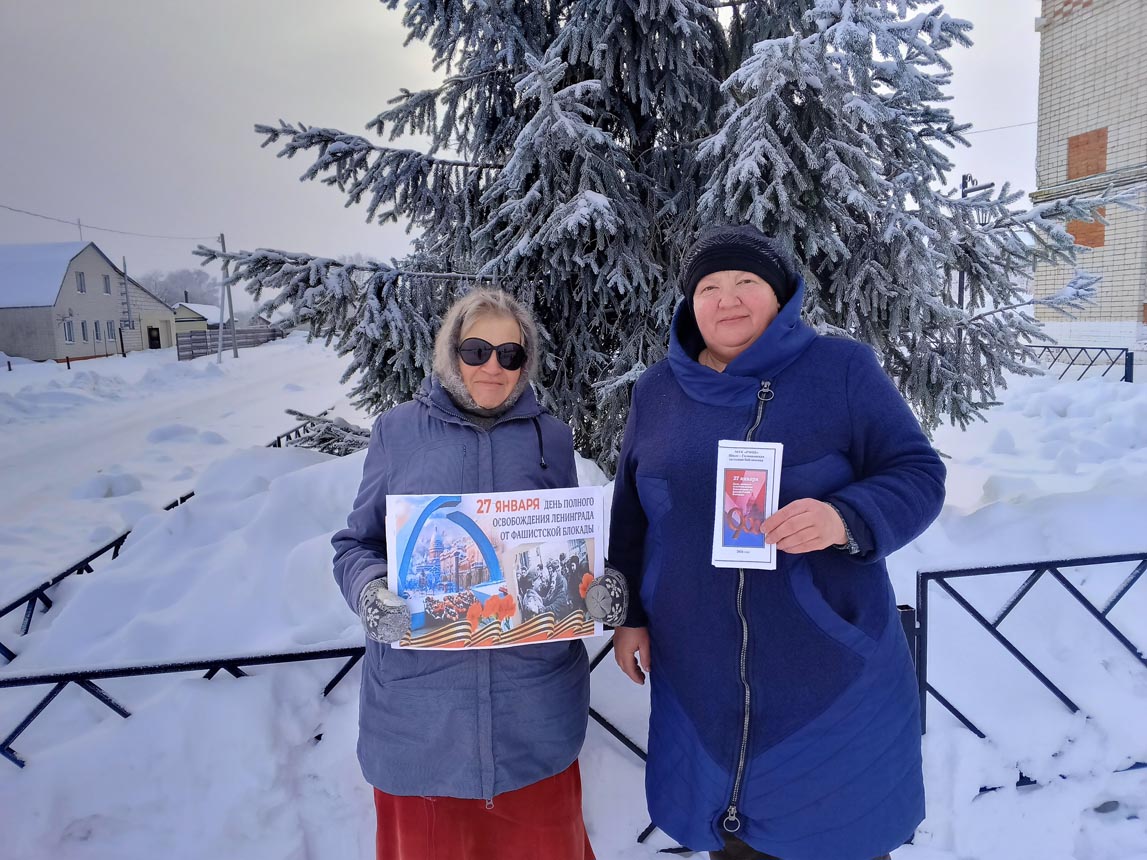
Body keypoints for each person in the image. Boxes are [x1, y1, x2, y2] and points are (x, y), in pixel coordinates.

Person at [609, 226, 946, 860]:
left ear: (782, 294)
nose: (727, 299)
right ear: (690, 303)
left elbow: (918, 473)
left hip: (825, 668)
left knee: (835, 836)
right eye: (709, 287)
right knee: (732, 837)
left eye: (746, 281)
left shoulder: (840, 369)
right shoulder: (657, 391)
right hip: (699, 670)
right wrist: (628, 616)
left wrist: (844, 518)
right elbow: (632, 515)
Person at [333, 288, 614, 860]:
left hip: (531, 719)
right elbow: (355, 544)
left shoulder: (551, 438)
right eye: (477, 350)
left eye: (510, 355)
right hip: (423, 722)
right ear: (450, 352)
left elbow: (563, 547)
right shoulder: (398, 432)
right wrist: (370, 592)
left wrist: (595, 590)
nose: (493, 367)